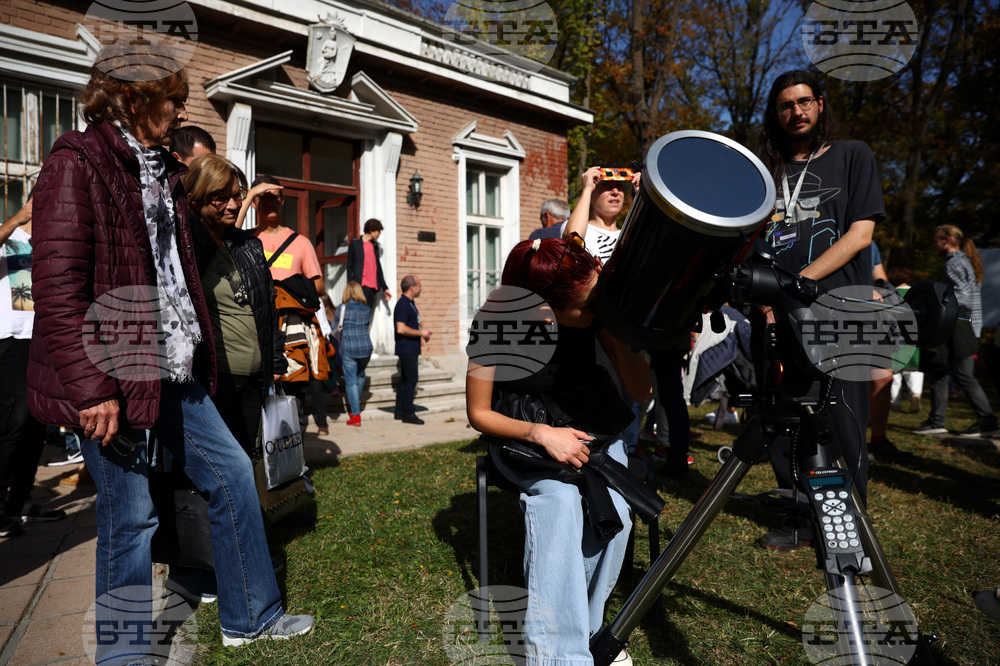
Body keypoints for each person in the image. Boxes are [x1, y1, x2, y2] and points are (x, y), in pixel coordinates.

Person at [26, 45, 312, 658]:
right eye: (173, 97)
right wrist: (91, 388)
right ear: (132, 97)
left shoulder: (161, 168)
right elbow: (56, 288)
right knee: (130, 518)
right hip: (114, 373)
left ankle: (250, 617)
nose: (183, 108)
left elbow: (199, 243)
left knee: (234, 475)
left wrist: (255, 212)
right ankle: (125, 654)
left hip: (174, 367)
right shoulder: (76, 164)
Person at [466, 235, 651, 666]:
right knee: (561, 502)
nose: (595, 307)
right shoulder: (497, 319)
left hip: (592, 420)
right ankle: (558, 657)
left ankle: (585, 628)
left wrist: (616, 330)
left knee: (618, 514)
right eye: (588, 305)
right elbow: (478, 413)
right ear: (545, 306)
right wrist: (542, 434)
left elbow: (641, 389)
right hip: (523, 431)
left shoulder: (598, 315)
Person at [756, 69, 882, 551]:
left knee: (842, 420)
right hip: (773, 313)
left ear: (821, 104)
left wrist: (800, 282)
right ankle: (803, 517)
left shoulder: (852, 155)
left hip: (837, 309)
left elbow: (861, 234)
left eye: (804, 102)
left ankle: (849, 531)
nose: (796, 112)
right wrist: (769, 299)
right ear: (777, 113)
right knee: (784, 419)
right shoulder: (765, 170)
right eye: (786, 105)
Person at [0, 194, 66, 538]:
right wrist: (17, 218)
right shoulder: (7, 236)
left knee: (38, 425)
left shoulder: (53, 243)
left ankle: (19, 502)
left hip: (45, 341)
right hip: (11, 342)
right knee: (12, 424)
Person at [251, 174, 332, 435]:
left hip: (291, 331)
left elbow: (318, 286)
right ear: (253, 203)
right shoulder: (245, 241)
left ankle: (291, 453)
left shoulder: (300, 242)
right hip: (254, 327)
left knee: (293, 390)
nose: (269, 202)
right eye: (262, 197)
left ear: (283, 200)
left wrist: (285, 287)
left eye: (275, 196)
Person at [912, 225, 998, 437]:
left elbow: (963, 296)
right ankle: (936, 421)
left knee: (963, 374)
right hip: (959, 325)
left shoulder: (955, 262)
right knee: (939, 370)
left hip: (959, 326)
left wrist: (937, 304)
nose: (933, 246)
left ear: (947, 240)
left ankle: (987, 422)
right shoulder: (963, 261)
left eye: (935, 241)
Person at [867, 243, 914, 463]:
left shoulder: (869, 239)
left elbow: (879, 276)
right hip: (839, 307)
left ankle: (878, 441)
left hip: (874, 315)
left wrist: (883, 292)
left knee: (882, 378)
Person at [335, 281, 374, 425]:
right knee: (361, 375)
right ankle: (355, 404)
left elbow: (335, 327)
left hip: (349, 347)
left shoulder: (342, 308)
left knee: (351, 380)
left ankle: (355, 415)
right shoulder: (366, 309)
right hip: (366, 347)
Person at [394, 275, 431, 424]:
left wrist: (422, 333)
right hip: (406, 348)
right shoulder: (403, 304)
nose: (421, 288)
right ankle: (408, 413)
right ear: (412, 287)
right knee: (411, 379)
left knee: (404, 380)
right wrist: (421, 333)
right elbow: (401, 328)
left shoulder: (409, 303)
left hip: (410, 347)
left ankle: (400, 411)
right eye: (419, 285)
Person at [346, 218, 392, 313]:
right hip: (360, 286)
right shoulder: (355, 244)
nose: (379, 233)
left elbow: (378, 268)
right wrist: (349, 286)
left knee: (367, 315)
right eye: (378, 231)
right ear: (371, 230)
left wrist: (385, 287)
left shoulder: (375, 246)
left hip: (373, 287)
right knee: (358, 313)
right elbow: (349, 266)